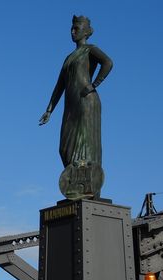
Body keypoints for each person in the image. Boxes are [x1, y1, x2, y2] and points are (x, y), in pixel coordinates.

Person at [39, 15, 113, 199]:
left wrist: (94, 84)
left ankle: (89, 189)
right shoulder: (68, 57)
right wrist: (49, 109)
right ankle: (75, 185)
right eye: (72, 29)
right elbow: (59, 86)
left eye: (77, 28)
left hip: (86, 102)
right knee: (65, 148)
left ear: (86, 31)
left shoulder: (90, 49)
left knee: (86, 146)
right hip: (70, 106)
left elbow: (108, 63)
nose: (73, 31)